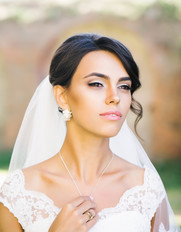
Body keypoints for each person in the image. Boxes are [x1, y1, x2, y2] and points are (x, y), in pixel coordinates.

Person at [0, 33, 180, 232]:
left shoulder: (144, 187)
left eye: (124, 86)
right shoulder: (19, 193)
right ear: (62, 97)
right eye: (96, 84)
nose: (115, 97)